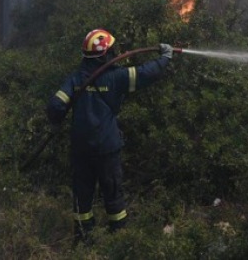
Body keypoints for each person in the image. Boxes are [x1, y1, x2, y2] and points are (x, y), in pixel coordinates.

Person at [45, 29, 175, 243]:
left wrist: (57, 121)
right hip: (106, 147)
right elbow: (145, 73)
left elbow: (55, 105)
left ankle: (83, 240)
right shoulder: (116, 78)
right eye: (111, 50)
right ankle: (119, 238)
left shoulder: (76, 79)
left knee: (82, 196)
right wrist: (165, 58)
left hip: (81, 149)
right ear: (104, 54)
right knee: (113, 192)